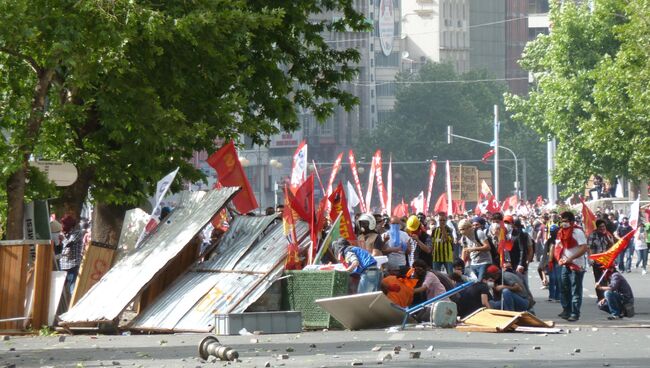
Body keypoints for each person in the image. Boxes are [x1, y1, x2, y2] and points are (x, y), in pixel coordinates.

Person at [554, 211, 589, 322]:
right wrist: (559, 258)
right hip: (565, 264)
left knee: (575, 290)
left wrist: (571, 258)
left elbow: (584, 248)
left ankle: (575, 312)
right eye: (562, 220)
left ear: (572, 221)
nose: (563, 223)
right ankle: (566, 310)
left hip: (577, 265)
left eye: (566, 221)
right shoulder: (560, 232)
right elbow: (558, 247)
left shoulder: (577, 232)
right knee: (564, 288)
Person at [588, 219, 615, 301]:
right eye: (600, 227)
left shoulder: (608, 234)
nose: (602, 228)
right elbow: (589, 247)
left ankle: (608, 296)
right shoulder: (593, 235)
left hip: (606, 260)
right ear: (597, 227)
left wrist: (608, 239)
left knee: (608, 279)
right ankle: (600, 297)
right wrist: (591, 258)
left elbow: (612, 246)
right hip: (597, 261)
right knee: (599, 279)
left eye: (603, 226)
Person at [59, 215, 84, 298]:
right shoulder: (66, 233)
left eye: (64, 224)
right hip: (63, 264)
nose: (62, 226)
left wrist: (63, 238)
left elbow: (69, 244)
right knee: (59, 288)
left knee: (73, 289)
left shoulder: (77, 232)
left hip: (72, 264)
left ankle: (73, 306)